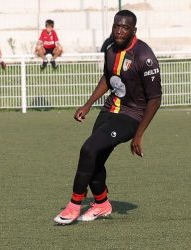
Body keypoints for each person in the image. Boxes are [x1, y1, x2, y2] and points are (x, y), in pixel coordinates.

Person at [54, 10, 162, 225]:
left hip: (131, 116)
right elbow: (108, 76)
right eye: (116, 26)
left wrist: (138, 135)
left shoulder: (144, 56)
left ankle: (74, 205)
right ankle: (102, 204)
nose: (119, 31)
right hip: (109, 109)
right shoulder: (110, 47)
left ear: (134, 30)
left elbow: (155, 99)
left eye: (125, 27)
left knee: (88, 149)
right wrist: (88, 104)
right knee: (94, 157)